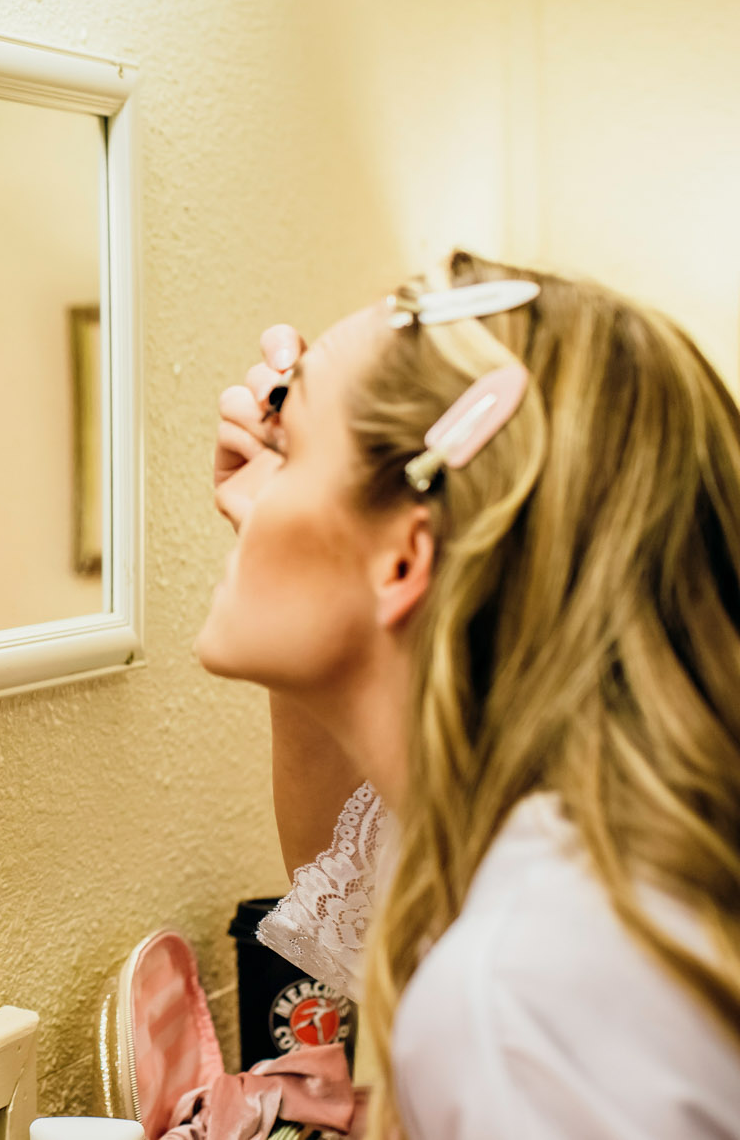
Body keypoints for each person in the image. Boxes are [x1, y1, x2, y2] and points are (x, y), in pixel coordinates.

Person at [197, 252, 740, 1136]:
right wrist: (299, 542)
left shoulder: (517, 1000)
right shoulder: (574, 853)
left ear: (407, 560)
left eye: (285, 452)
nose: (246, 486)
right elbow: (362, 893)